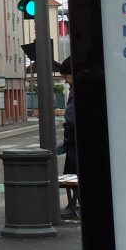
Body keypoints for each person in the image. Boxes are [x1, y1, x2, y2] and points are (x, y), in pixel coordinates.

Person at [55, 57, 79, 220]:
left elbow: (70, 118)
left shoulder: (75, 89)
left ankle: (73, 205)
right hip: (78, 142)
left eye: (66, 76)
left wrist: (67, 142)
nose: (65, 80)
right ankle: (73, 204)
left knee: (73, 175)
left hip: (75, 144)